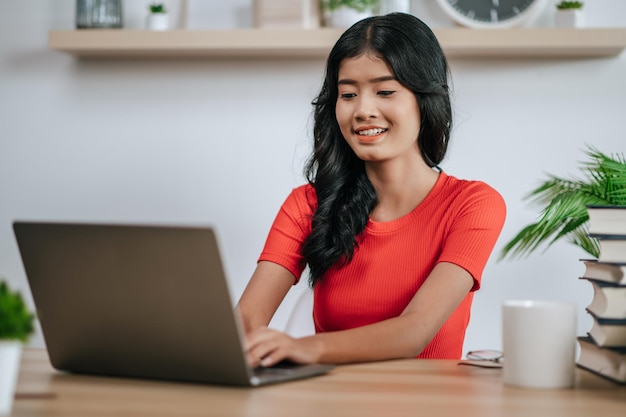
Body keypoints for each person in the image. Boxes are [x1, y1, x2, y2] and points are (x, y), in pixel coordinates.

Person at [236, 13, 506, 367]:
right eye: (348, 94)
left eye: (385, 91)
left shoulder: (472, 205)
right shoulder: (307, 205)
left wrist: (306, 348)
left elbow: (414, 332)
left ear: (425, 99)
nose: (363, 110)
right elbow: (246, 321)